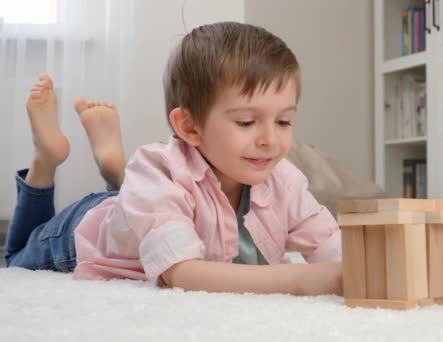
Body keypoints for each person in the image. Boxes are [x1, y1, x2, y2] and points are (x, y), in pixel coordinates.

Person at [4, 22, 343, 296]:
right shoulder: (159, 169)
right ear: (190, 127)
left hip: (145, 203)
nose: (271, 139)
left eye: (284, 121)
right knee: (16, 255)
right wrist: (303, 280)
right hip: (81, 232)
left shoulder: (282, 178)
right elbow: (181, 273)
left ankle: (115, 171)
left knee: (139, 195)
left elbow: (330, 243)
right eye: (246, 122)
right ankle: (44, 162)